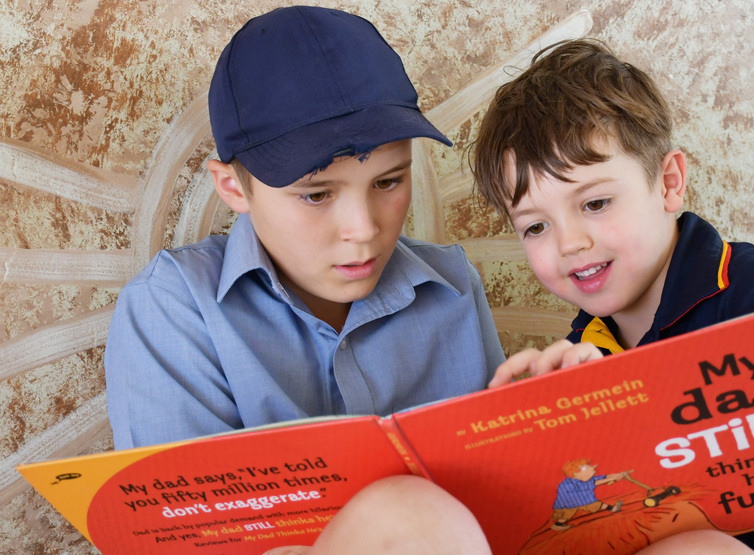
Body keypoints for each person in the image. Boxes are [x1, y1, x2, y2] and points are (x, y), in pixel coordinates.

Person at [471, 39, 754, 555]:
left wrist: (635, 404)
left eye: (595, 203)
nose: (570, 243)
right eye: (534, 227)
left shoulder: (742, 279)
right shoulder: (587, 344)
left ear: (669, 183)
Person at [104, 5, 505, 450]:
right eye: (316, 195)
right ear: (233, 188)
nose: (364, 229)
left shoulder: (454, 287)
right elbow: (186, 517)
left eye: (388, 181)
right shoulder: (174, 309)